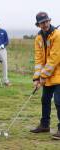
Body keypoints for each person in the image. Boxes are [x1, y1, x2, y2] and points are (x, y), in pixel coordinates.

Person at [30, 12, 60, 140]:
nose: (45, 24)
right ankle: (44, 125)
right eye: (42, 22)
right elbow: (39, 60)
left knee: (59, 102)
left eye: (46, 21)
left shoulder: (57, 35)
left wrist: (43, 76)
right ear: (38, 25)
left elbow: (54, 58)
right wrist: (37, 78)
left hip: (58, 74)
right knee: (45, 100)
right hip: (47, 76)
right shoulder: (38, 38)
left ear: (49, 21)